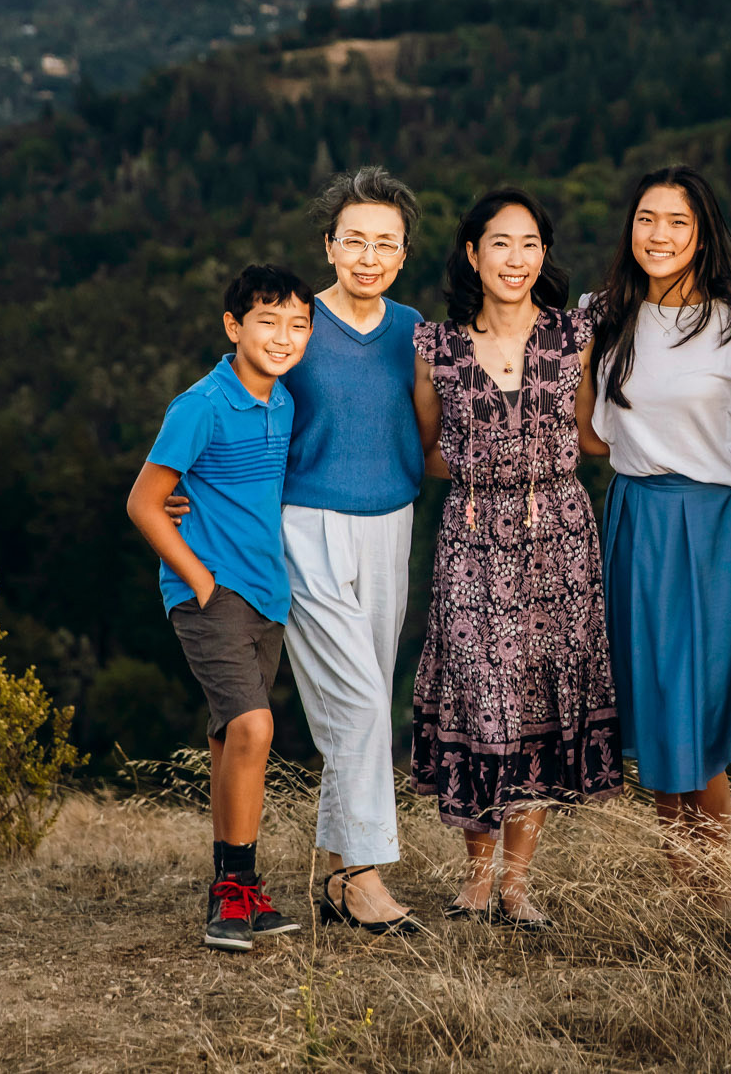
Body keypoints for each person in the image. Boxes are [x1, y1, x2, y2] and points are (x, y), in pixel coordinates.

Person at [410, 188, 621, 928]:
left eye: (530, 243)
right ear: (472, 253)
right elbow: (426, 449)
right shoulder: (434, 346)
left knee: (537, 698)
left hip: (558, 532)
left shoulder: (573, 335)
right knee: (476, 695)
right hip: (470, 535)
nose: (517, 258)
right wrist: (487, 479)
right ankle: (474, 876)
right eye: (501, 242)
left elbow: (593, 432)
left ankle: (517, 884)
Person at [580, 165, 731, 880]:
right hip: (640, 518)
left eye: (677, 222)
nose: (658, 234)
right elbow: (589, 433)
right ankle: (679, 879)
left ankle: (712, 888)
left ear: (703, 235)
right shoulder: (603, 313)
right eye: (646, 219)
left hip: (720, 523)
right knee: (661, 703)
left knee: (702, 705)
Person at [125, 263, 315, 952]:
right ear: (234, 326)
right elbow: (145, 501)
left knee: (232, 738)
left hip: (268, 593)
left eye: (298, 324)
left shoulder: (285, 401)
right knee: (256, 726)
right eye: (268, 321)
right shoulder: (201, 404)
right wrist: (200, 580)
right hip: (213, 594)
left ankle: (238, 885)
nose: (284, 335)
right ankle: (232, 890)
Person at [275, 167, 427, 933]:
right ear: (329, 246)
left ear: (403, 256)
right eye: (354, 240)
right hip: (305, 524)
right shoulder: (294, 321)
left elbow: (433, 431)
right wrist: (187, 479)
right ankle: (366, 878)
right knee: (363, 703)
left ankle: (335, 877)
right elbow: (235, 402)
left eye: (386, 244)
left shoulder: (414, 330)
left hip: (391, 522)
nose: (369, 255)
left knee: (357, 699)